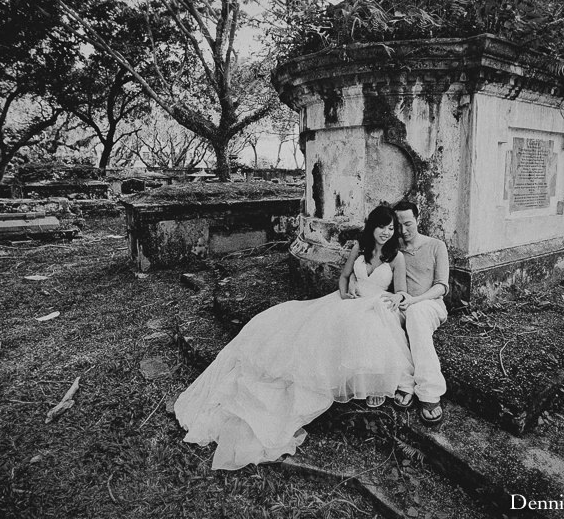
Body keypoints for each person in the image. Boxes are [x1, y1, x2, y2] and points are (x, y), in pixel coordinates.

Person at [174, 205, 414, 470]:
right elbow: (344, 277)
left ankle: (371, 384)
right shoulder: (360, 247)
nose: (387, 233)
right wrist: (345, 294)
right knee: (305, 330)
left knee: (364, 330)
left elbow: (401, 292)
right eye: (382, 227)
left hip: (374, 306)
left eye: (391, 228)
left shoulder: (396, 257)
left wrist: (394, 297)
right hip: (346, 302)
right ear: (373, 227)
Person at [381, 201, 449, 424]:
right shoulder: (393, 248)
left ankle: (430, 392)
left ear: (418, 220)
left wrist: (416, 300)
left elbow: (442, 285)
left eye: (408, 223)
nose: (403, 230)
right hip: (402, 304)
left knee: (416, 313)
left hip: (429, 303)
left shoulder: (436, 245)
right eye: (398, 225)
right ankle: (404, 382)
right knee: (381, 314)